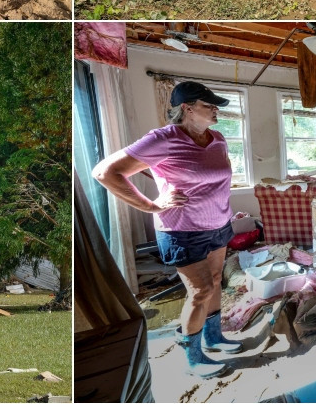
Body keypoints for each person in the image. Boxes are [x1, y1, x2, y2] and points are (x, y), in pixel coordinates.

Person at [92, 81, 241, 379]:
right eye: (208, 104)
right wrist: (151, 204)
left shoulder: (219, 139)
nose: (215, 110)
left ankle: (213, 337)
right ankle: (193, 355)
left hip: (219, 224)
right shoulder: (163, 138)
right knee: (200, 291)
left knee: (215, 281)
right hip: (182, 230)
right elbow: (105, 172)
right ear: (186, 108)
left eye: (215, 105)